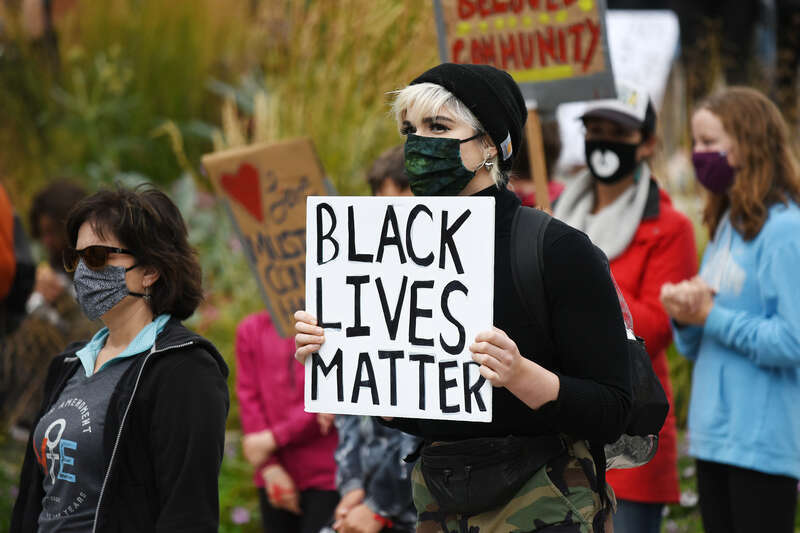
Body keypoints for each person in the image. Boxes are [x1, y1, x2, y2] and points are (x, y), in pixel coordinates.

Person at [295, 63, 632, 532]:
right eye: (409, 129)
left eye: (439, 127)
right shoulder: (393, 250)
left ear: (491, 144)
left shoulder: (557, 250)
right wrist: (348, 361)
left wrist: (521, 376)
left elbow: (613, 410)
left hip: (547, 507)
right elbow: (423, 411)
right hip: (441, 505)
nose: (418, 143)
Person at [11, 186, 229, 532]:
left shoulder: (184, 369)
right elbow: (32, 500)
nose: (82, 271)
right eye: (76, 257)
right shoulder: (69, 365)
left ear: (150, 270)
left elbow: (189, 513)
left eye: (97, 256)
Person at [553, 82, 697, 533]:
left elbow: (654, 329)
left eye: (618, 131)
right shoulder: (557, 211)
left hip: (631, 439)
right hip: (563, 432)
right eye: (594, 129)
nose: (604, 141)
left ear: (647, 144)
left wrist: (589, 275)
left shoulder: (669, 226)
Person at [660, 87, 800, 533]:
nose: (699, 155)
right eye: (696, 143)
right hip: (713, 438)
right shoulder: (725, 226)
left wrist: (711, 316)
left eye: (709, 142)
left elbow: (792, 340)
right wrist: (684, 314)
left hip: (762, 444)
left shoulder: (785, 231)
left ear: (750, 143)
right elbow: (697, 344)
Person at [326, 145, 420, 533]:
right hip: (363, 505)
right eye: (384, 203)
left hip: (414, 510)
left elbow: (425, 426)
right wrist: (351, 488)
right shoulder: (359, 287)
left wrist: (379, 504)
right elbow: (351, 404)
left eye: (406, 201)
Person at [1, 181, 96, 431]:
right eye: (42, 234)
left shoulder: (98, 266)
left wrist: (59, 299)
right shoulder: (54, 267)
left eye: (52, 232)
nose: (47, 241)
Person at [235, 310, 340, 533]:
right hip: (274, 476)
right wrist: (269, 467)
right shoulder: (250, 329)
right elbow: (248, 396)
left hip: (326, 475)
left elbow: (329, 400)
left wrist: (273, 438)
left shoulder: (326, 328)